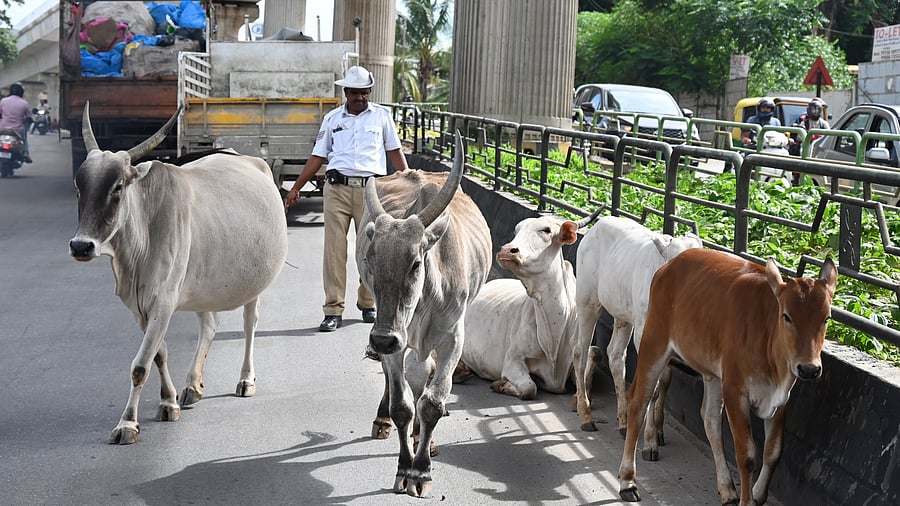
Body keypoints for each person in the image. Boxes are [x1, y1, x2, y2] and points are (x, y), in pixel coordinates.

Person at [284, 65, 409, 332]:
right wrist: (296, 188)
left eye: (365, 93)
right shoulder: (331, 120)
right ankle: (333, 309)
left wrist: (410, 181)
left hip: (373, 193)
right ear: (346, 92)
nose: (360, 98)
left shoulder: (382, 118)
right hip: (336, 189)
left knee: (372, 250)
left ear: (369, 92)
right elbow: (317, 157)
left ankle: (367, 302)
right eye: (355, 93)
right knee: (334, 251)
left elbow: (395, 153)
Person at [0, 83, 33, 163]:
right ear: (21, 92)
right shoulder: (24, 103)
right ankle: (25, 153)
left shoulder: (3, 101)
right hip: (17, 130)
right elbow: (29, 118)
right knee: (24, 138)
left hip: (3, 128)